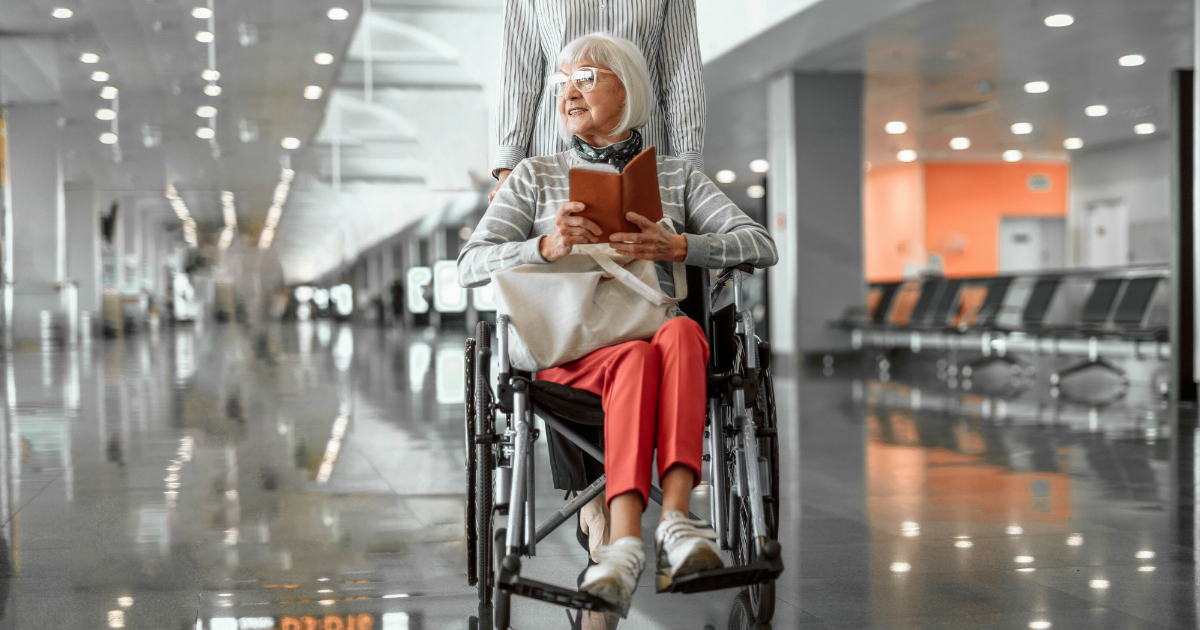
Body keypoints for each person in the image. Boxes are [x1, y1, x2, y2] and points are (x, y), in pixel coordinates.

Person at [458, 33, 777, 616]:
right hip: (571, 345)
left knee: (682, 332)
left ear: (627, 89)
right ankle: (633, 531)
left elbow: (760, 244)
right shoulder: (532, 176)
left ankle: (675, 522)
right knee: (641, 350)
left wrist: (681, 244)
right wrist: (545, 246)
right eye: (562, 82)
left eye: (586, 78)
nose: (568, 92)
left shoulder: (676, 176)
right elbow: (469, 265)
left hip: (656, 336)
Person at [489, 0, 705, 202]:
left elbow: (682, 75)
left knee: (643, 237)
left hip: (643, 154)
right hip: (551, 152)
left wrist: (691, 170)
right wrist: (509, 167)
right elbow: (519, 75)